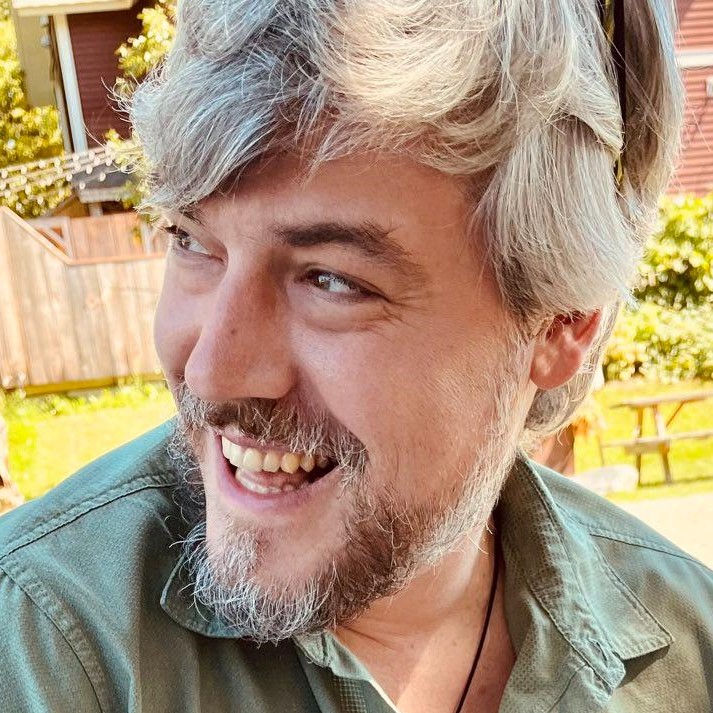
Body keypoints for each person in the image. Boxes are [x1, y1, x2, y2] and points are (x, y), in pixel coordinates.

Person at [1, 1, 711, 711]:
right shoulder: (37, 649)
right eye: (191, 240)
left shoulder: (689, 648)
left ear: (561, 327)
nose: (211, 371)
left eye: (330, 280)